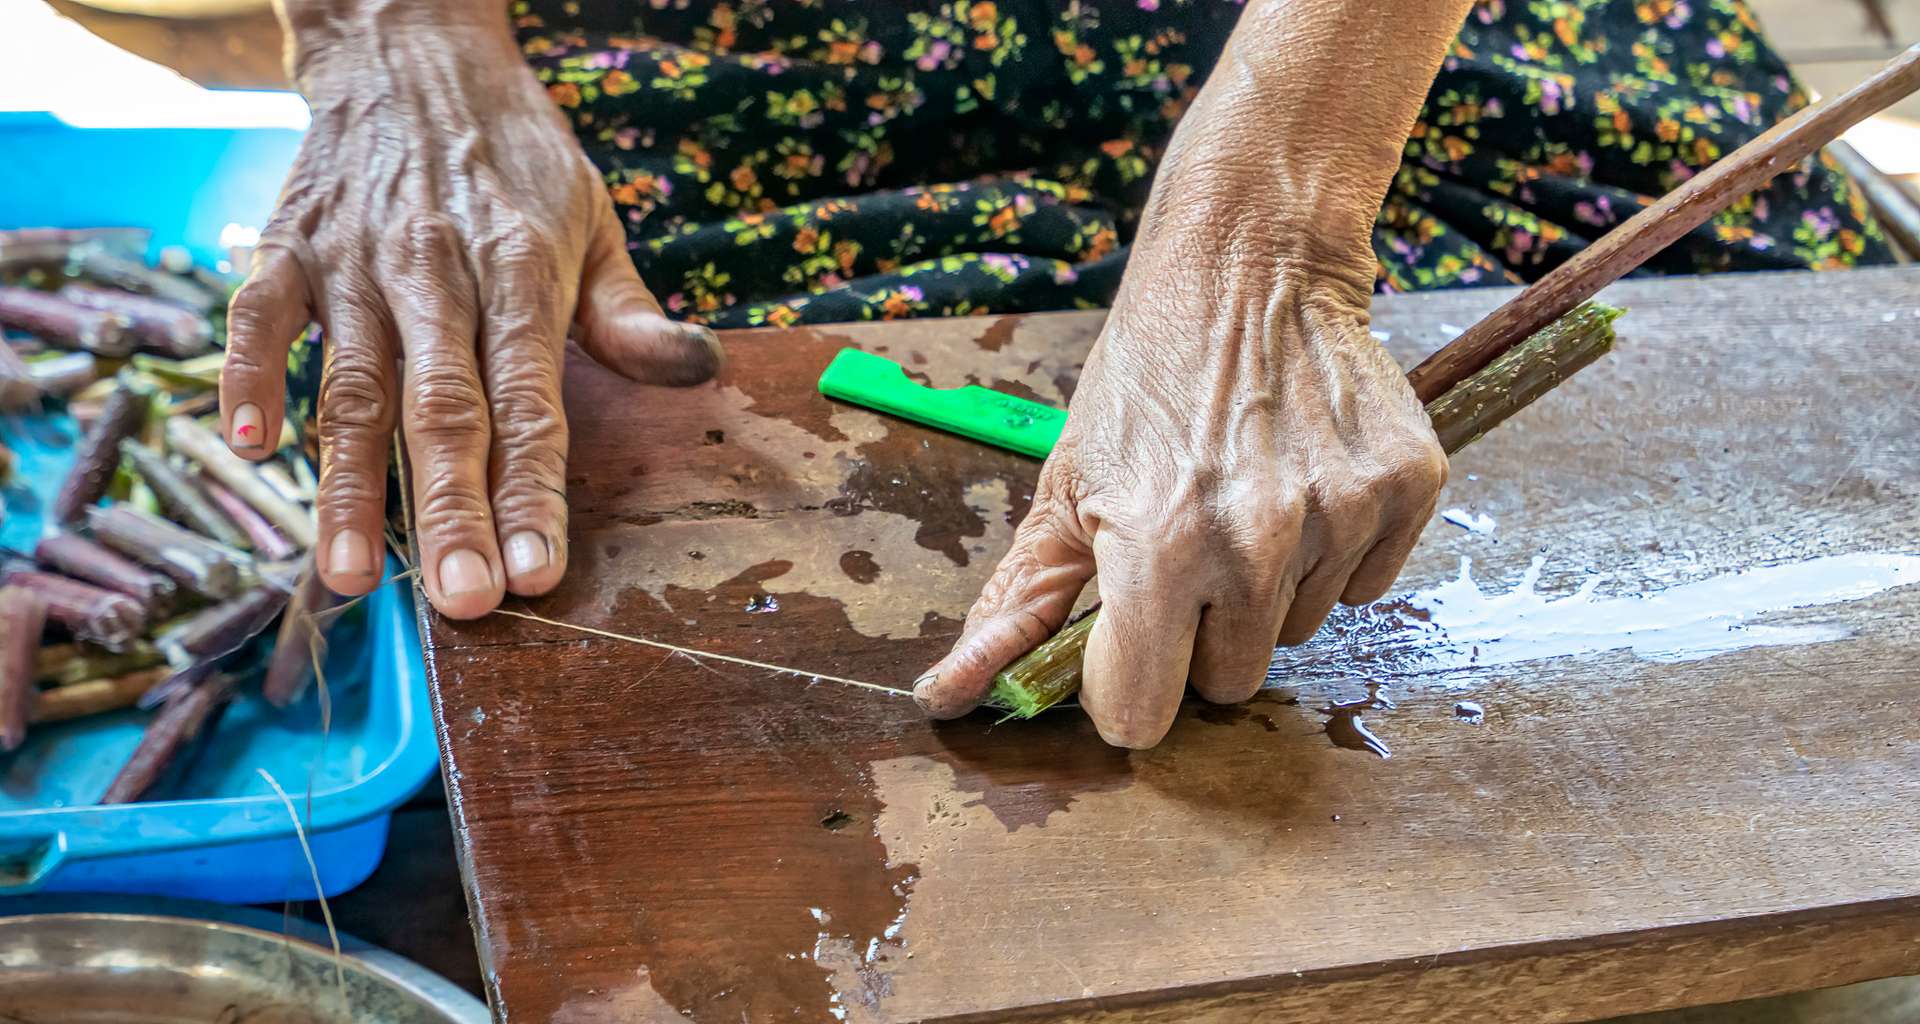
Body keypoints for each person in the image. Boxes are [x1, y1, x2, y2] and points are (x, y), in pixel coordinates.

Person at [220, 0, 1891, 747]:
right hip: (753, 39)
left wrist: (1272, 218)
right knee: (561, 393)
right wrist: (402, 40)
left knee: (1809, 339)